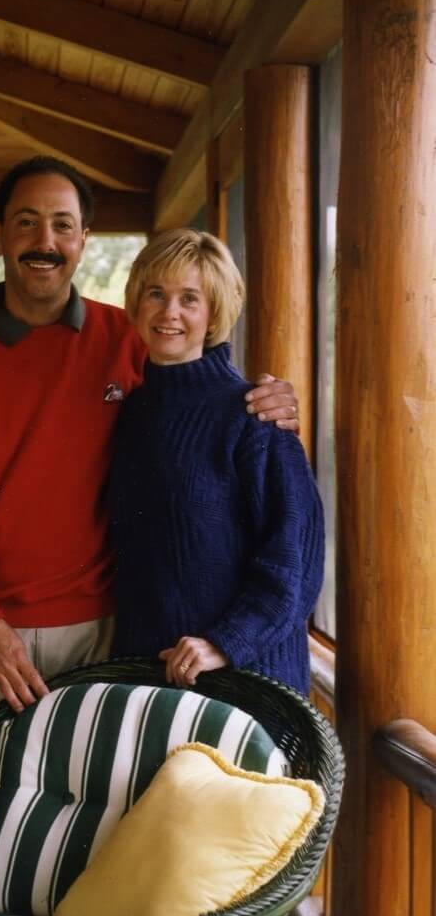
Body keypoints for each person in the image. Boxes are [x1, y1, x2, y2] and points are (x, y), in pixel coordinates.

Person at [0, 157, 301, 763]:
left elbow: (199, 398)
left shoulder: (129, 341)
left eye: (63, 225)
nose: (45, 241)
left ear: (84, 239)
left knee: (95, 813)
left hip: (108, 636)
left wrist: (269, 400)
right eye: (27, 222)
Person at [108, 229, 323, 695]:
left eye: (190, 298)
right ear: (137, 303)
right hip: (150, 677)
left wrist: (226, 643)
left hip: (245, 681)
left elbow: (297, 558)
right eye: (156, 294)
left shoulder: (254, 414)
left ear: (213, 313)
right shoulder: (133, 413)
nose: (170, 312)